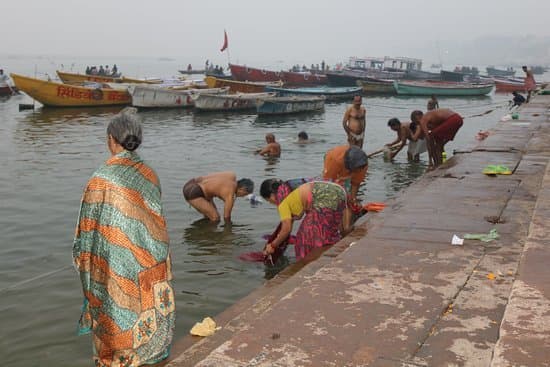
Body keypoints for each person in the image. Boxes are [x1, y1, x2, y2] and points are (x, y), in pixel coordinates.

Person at [73, 107, 175, 366]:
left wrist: (84, 260)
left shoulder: (101, 178)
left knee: (115, 312)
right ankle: (149, 354)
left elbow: (88, 231)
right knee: (147, 310)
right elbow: (154, 220)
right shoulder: (149, 173)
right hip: (151, 260)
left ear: (110, 139)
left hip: (115, 264)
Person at [260, 179, 351, 260]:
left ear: (271, 196)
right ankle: (337, 251)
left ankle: (307, 264)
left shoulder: (282, 203)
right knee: (330, 232)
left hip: (324, 199)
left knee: (303, 240)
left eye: (268, 201)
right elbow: (299, 211)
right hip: (340, 191)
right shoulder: (289, 187)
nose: (271, 203)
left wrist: (272, 246)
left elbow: (286, 230)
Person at [183, 171, 253, 223]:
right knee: (216, 218)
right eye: (245, 194)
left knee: (210, 214)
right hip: (194, 192)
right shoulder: (230, 194)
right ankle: (209, 239)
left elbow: (204, 179)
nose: (244, 196)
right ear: (242, 189)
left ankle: (203, 231)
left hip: (191, 183)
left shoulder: (231, 175)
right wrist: (229, 230)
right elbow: (226, 217)